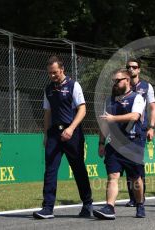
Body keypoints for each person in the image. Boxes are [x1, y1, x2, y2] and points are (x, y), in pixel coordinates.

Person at [33, 56, 93, 219]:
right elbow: (47, 113)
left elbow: (82, 109)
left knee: (78, 168)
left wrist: (71, 129)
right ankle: (47, 207)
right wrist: (46, 135)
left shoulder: (74, 85)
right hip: (54, 134)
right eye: (49, 73)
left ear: (62, 69)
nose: (52, 76)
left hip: (72, 133)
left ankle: (87, 204)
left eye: (55, 72)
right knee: (50, 170)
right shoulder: (48, 89)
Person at [94, 69, 146, 219]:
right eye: (114, 81)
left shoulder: (137, 98)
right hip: (114, 145)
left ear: (127, 80)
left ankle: (140, 204)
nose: (115, 83)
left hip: (132, 143)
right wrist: (101, 142)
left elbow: (135, 116)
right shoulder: (109, 100)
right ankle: (109, 207)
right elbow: (104, 123)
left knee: (136, 178)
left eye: (118, 80)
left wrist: (113, 119)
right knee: (113, 176)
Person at [125, 58, 155, 207]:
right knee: (127, 162)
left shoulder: (146, 86)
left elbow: (152, 108)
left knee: (137, 163)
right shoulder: (122, 84)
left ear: (139, 70)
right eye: (128, 67)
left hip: (140, 129)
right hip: (123, 130)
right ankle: (132, 197)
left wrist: (151, 127)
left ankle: (140, 196)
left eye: (134, 67)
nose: (131, 69)